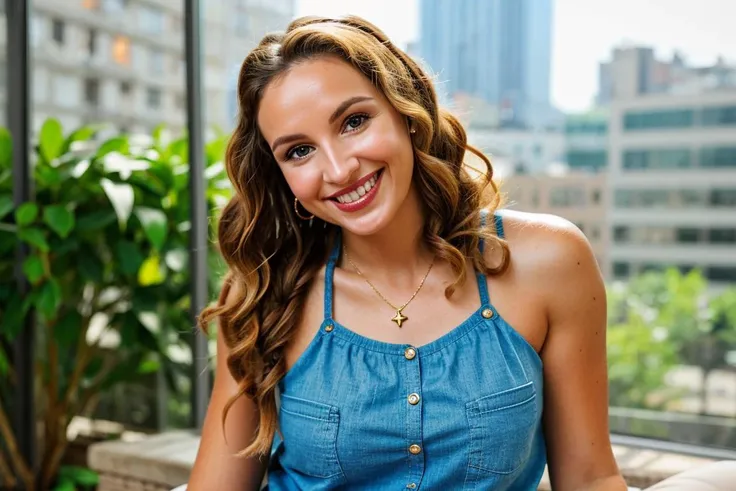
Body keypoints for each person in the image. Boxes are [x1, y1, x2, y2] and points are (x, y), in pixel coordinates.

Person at [187, 15, 627, 491]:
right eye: (298, 151)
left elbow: (590, 477)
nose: (338, 170)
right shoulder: (264, 294)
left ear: (407, 114)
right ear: (282, 176)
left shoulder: (550, 263)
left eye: (354, 122)